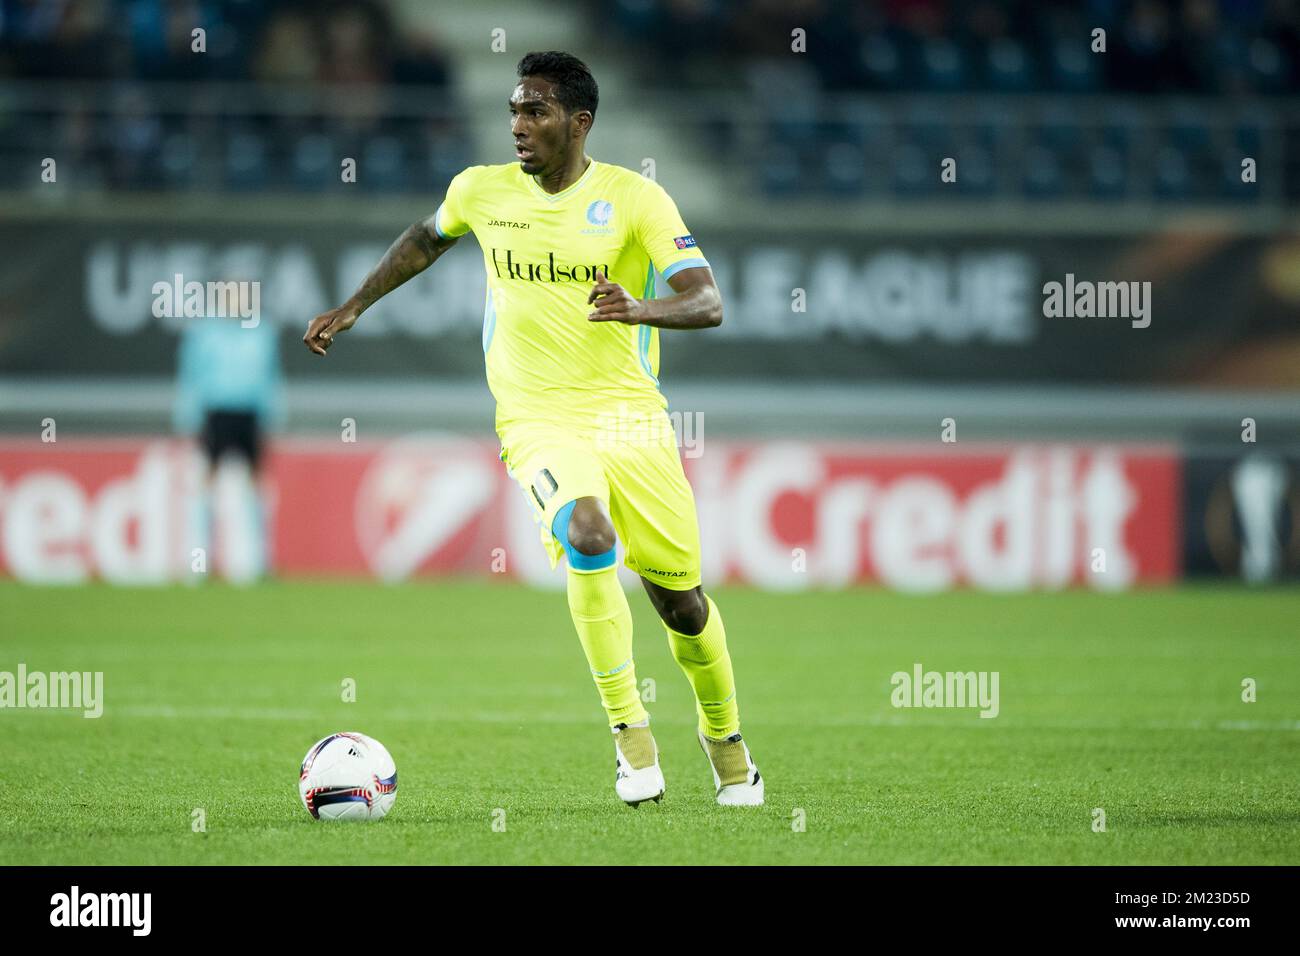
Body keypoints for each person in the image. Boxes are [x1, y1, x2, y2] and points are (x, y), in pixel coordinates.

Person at [303, 51, 762, 807]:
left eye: (536, 112)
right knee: (586, 536)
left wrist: (638, 307)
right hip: (537, 417)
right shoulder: (481, 191)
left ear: (579, 123)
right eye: (515, 111)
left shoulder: (635, 199)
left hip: (630, 419)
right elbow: (426, 237)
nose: (519, 126)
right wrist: (354, 305)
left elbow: (707, 301)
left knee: (680, 603)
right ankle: (631, 737)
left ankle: (728, 745)